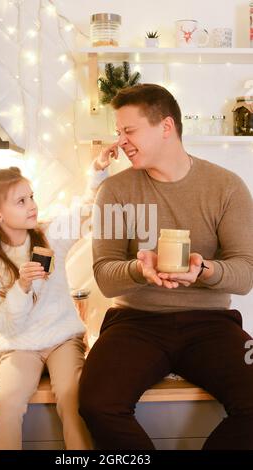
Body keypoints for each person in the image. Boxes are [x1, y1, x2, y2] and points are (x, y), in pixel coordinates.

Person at [79, 84, 253, 450]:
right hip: (135, 324)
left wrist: (204, 270)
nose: (121, 141)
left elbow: (246, 273)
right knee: (97, 404)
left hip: (211, 325)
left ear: (166, 126)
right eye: (119, 133)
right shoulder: (114, 191)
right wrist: (138, 271)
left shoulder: (226, 187)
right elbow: (105, 277)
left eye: (129, 131)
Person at [0, 151, 115, 450]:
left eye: (31, 197)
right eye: (21, 201)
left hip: (62, 339)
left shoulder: (50, 233)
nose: (32, 206)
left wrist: (97, 171)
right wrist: (21, 287)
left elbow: (86, 209)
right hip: (21, 345)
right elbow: (2, 323)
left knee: (71, 395)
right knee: (7, 404)